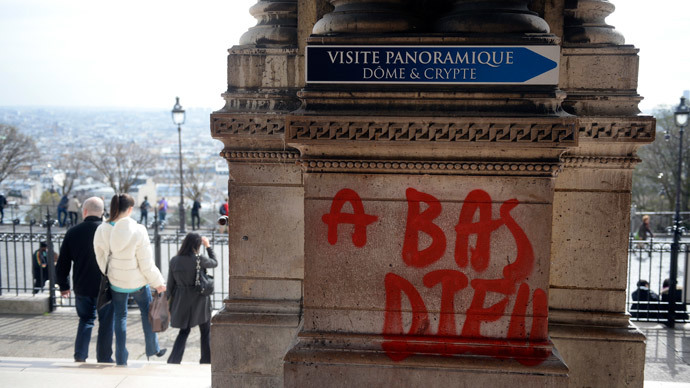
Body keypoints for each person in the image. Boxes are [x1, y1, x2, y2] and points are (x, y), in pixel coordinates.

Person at [94, 193, 167, 366]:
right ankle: (152, 348)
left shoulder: (102, 230)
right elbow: (146, 263)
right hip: (138, 282)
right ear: (130, 209)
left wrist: (111, 273)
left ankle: (121, 357)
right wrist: (158, 283)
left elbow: (100, 257)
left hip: (116, 282)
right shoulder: (138, 230)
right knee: (147, 313)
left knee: (120, 316)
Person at [56, 197, 114, 363]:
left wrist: (64, 286)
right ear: (102, 212)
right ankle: (104, 358)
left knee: (86, 320)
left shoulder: (73, 232)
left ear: (85, 211)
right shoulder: (109, 232)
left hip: (82, 285)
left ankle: (80, 355)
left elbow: (63, 263)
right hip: (106, 286)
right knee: (106, 324)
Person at [166, 233, 217, 364]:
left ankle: (174, 360)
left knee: (184, 331)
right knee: (205, 330)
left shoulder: (174, 260)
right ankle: (206, 360)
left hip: (182, 299)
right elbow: (214, 263)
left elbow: (170, 284)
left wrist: (167, 303)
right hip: (199, 298)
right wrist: (208, 246)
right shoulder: (199, 259)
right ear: (197, 245)